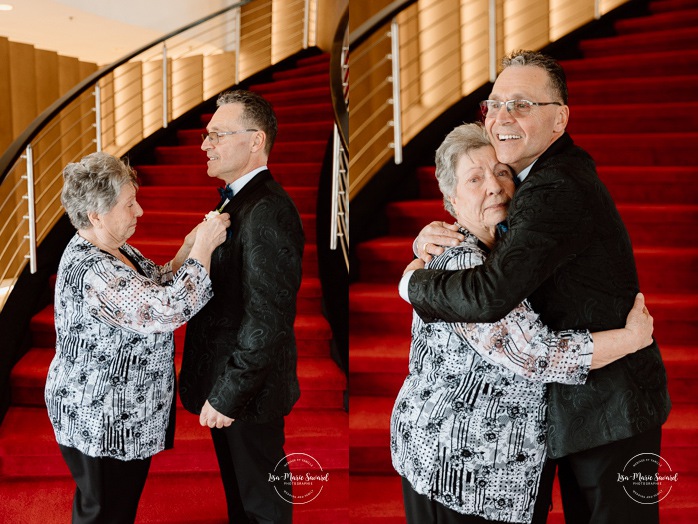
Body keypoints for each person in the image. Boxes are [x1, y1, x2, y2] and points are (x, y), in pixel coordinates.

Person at [403, 51, 671, 523]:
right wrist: (430, 248)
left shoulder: (554, 188)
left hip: (609, 410)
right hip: (562, 416)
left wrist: (412, 283)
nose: (503, 116)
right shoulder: (527, 186)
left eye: (522, 104)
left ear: (560, 118)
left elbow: (490, 296)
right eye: (496, 104)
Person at [44, 152, 230, 523]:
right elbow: (166, 310)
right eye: (129, 204)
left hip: (121, 415)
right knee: (104, 513)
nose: (139, 211)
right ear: (96, 215)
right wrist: (205, 249)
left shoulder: (112, 246)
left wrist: (188, 249)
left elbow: (152, 284)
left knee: (117, 508)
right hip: (100, 417)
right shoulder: (94, 267)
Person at [178, 89, 304, 523]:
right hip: (224, 383)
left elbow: (268, 317)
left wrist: (229, 395)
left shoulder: (268, 209)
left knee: (263, 507)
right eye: (206, 135)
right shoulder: (233, 199)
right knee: (241, 504)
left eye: (217, 134)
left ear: (255, 141)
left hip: (248, 394)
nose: (204, 144)